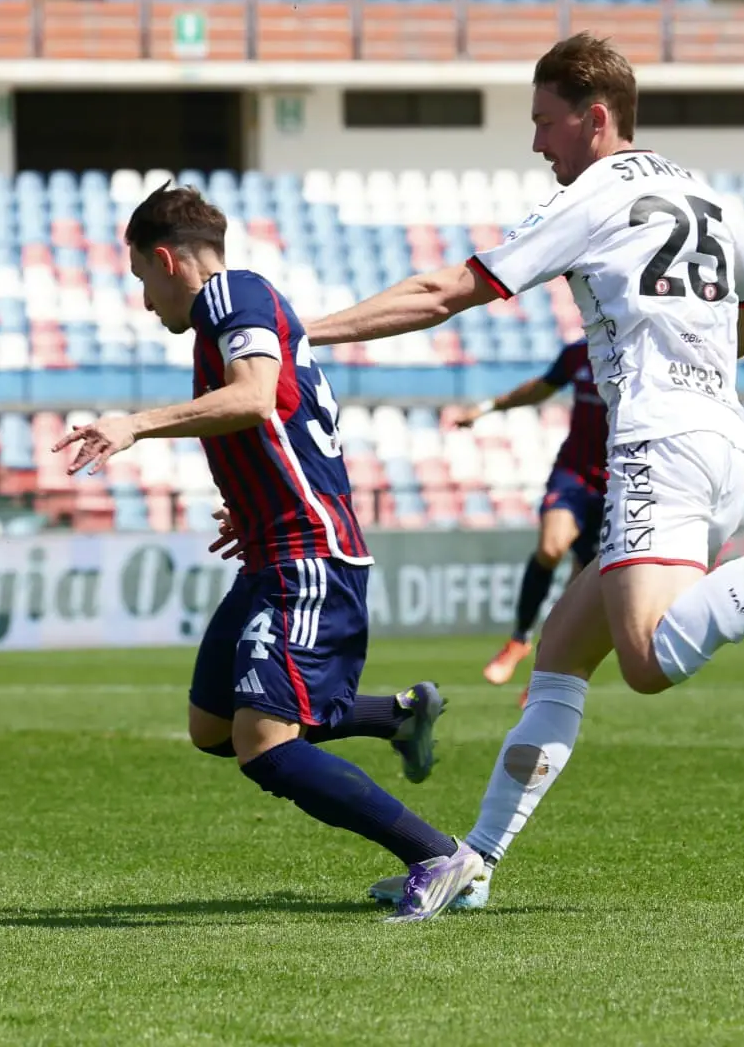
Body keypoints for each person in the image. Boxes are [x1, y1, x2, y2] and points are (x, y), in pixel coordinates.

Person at [306, 32, 744, 919]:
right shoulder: (710, 196)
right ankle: (471, 862)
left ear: (595, 119)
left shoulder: (600, 194)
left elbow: (448, 291)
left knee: (646, 662)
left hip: (656, 444)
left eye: (545, 123)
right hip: (719, 436)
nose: (537, 144)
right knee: (562, 657)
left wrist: (308, 334)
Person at [58, 182, 482, 921]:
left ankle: (438, 855)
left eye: (141, 281)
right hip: (270, 545)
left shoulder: (233, 297)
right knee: (213, 726)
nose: (145, 301)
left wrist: (137, 424)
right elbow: (279, 416)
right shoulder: (229, 315)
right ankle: (396, 716)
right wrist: (251, 506)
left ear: (167, 260)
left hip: (306, 553)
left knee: (264, 745)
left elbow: (254, 397)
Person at [446, 342, 608, 704]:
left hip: (619, 482)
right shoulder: (578, 354)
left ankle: (544, 672)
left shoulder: (642, 355)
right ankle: (518, 638)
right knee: (551, 547)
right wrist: (488, 408)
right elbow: (542, 386)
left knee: (578, 591)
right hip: (574, 474)